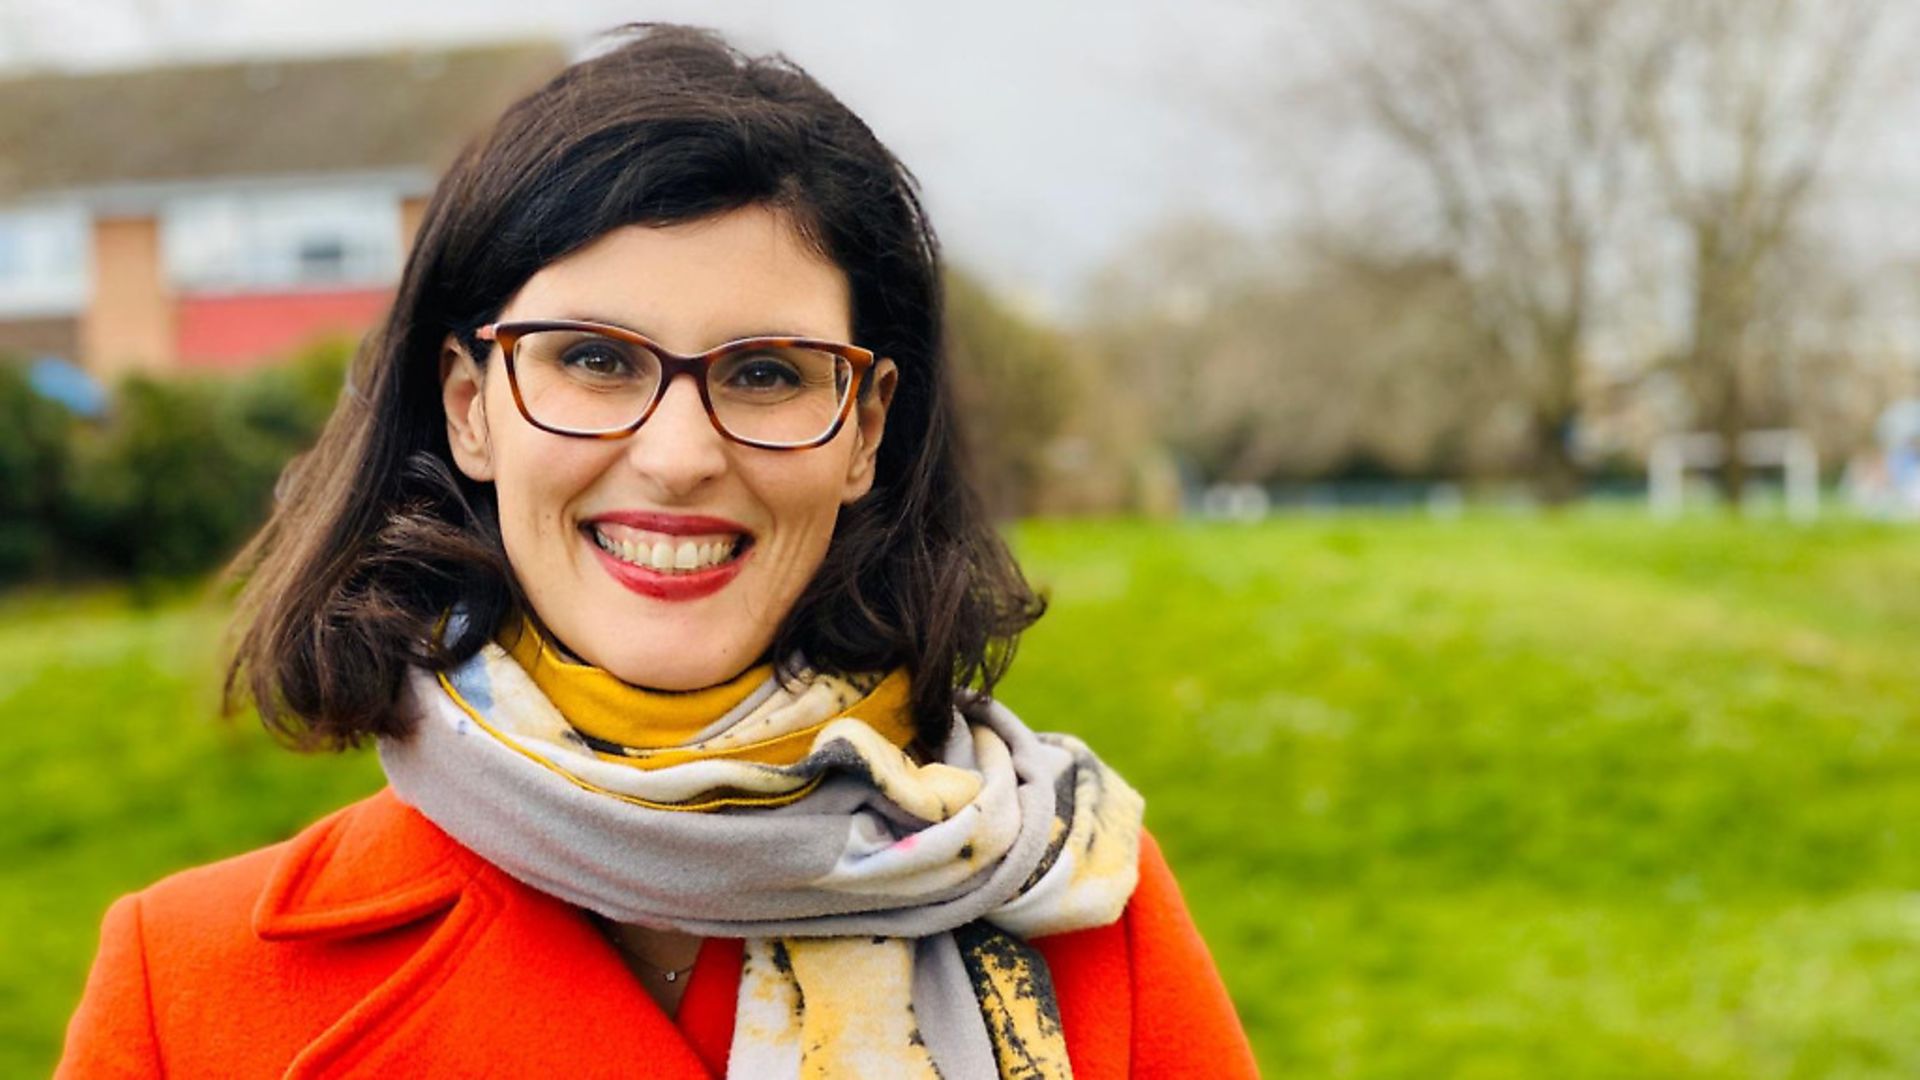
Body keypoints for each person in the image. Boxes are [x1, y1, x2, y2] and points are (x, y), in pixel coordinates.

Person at [57, 24, 1256, 1079]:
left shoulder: (1091, 915)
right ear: (471, 406)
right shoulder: (184, 990)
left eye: (769, 372)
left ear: (865, 432)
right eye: (593, 359)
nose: (678, 455)